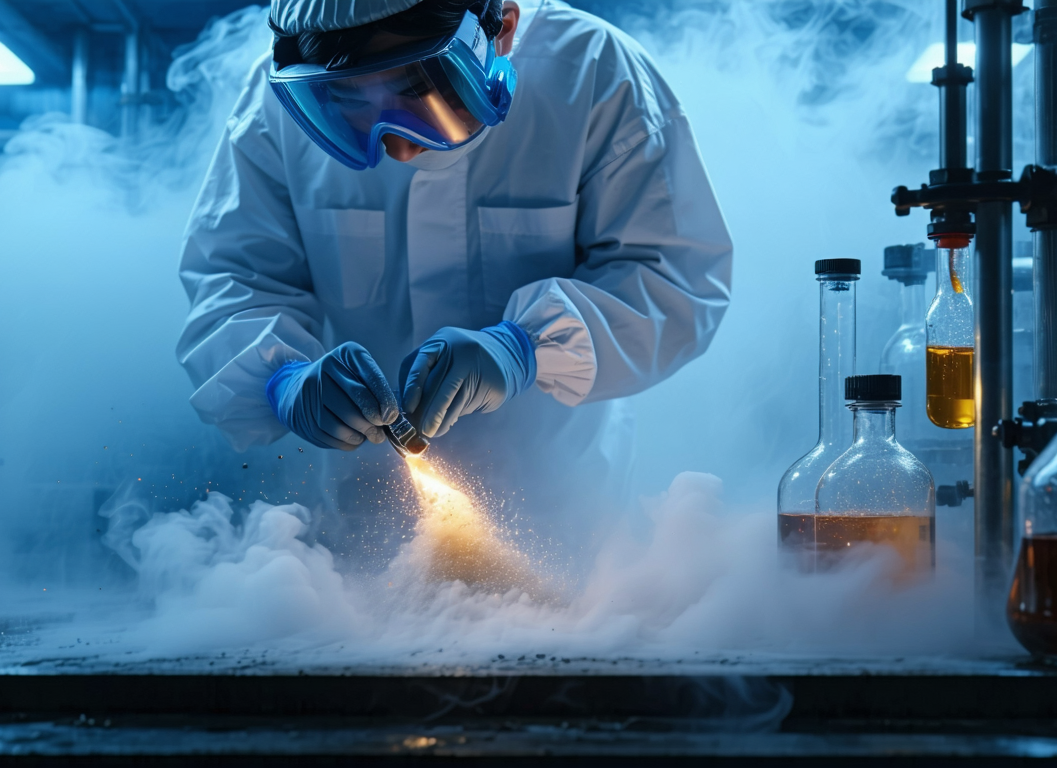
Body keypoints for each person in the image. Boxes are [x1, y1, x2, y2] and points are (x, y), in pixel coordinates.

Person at [177, 0, 732, 554]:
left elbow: (673, 277)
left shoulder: (592, 70)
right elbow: (234, 277)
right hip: (356, 523)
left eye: (417, 88)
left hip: (567, 516)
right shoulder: (284, 96)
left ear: (501, 30)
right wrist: (284, 378)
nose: (398, 146)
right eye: (350, 101)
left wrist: (525, 348)